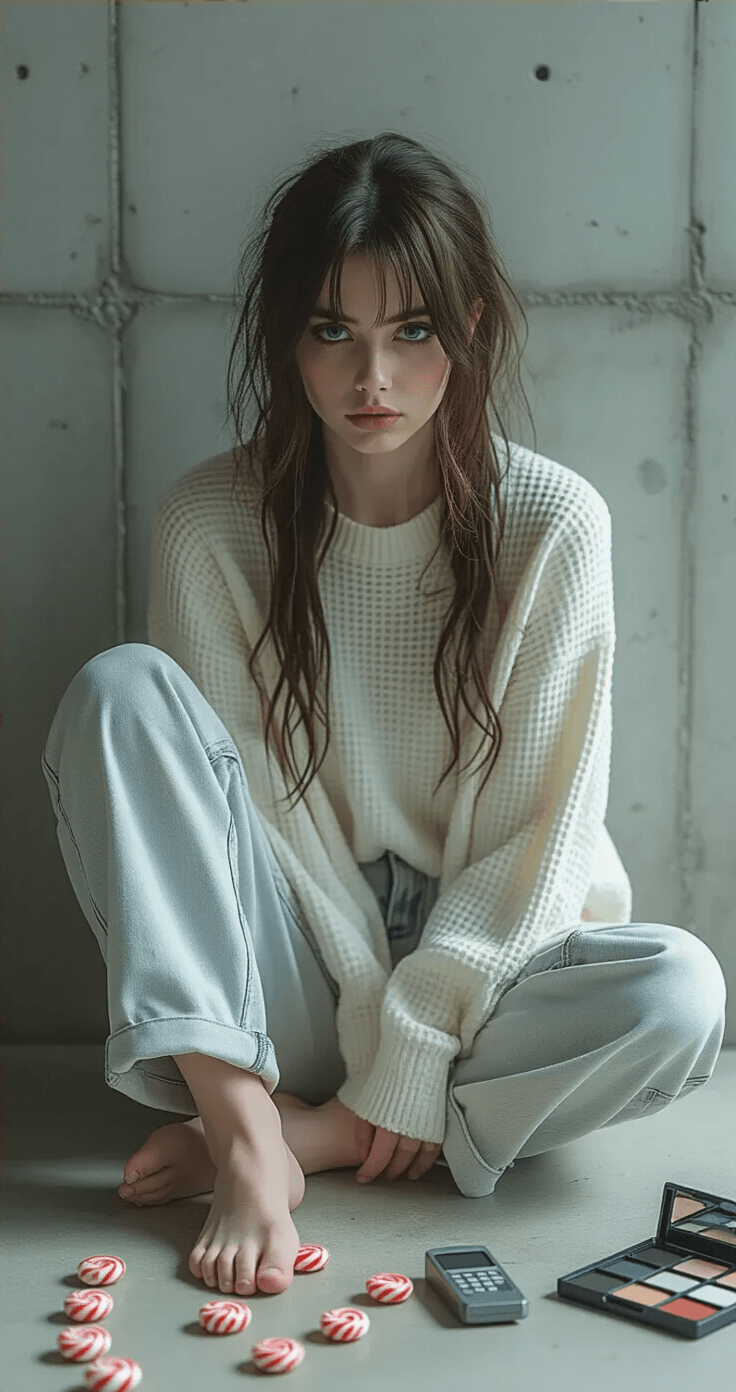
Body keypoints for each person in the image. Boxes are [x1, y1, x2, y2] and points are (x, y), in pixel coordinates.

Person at [41, 133, 727, 1307]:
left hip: (490, 989)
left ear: (468, 326)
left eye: (412, 331)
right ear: (285, 337)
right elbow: (247, 821)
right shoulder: (210, 524)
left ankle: (306, 1138)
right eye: (333, 331)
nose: (374, 378)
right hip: (296, 971)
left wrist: (406, 1055)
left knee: (680, 993)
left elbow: (535, 841)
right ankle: (247, 1127)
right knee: (119, 691)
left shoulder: (552, 524)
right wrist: (358, 1020)